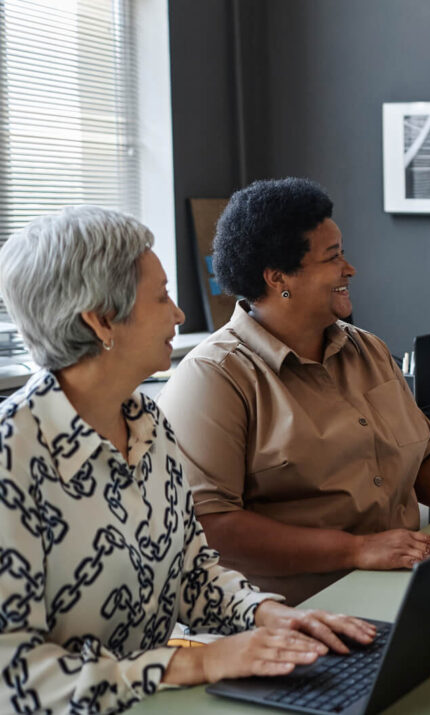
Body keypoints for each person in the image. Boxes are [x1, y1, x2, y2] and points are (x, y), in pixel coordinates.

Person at [0, 207, 375, 714]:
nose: (178, 315)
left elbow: (193, 572)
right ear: (100, 320)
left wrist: (269, 614)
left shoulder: (145, 420)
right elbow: (13, 673)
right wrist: (196, 664)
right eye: (161, 297)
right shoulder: (13, 456)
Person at [158, 178, 430, 605]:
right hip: (298, 610)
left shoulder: (366, 348)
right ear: (278, 277)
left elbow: (423, 460)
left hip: (403, 586)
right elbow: (211, 526)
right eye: (333, 257)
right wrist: (357, 550)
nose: (349, 269)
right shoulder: (214, 378)